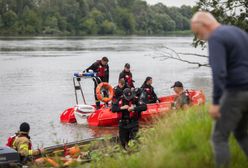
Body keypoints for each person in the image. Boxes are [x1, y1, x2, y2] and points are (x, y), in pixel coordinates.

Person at [191, 11, 248, 167]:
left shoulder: (216, 37)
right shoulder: (238, 32)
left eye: (197, 32)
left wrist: (216, 102)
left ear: (204, 24)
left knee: (219, 138)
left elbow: (219, 72)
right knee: (241, 133)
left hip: (236, 92)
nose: (199, 37)